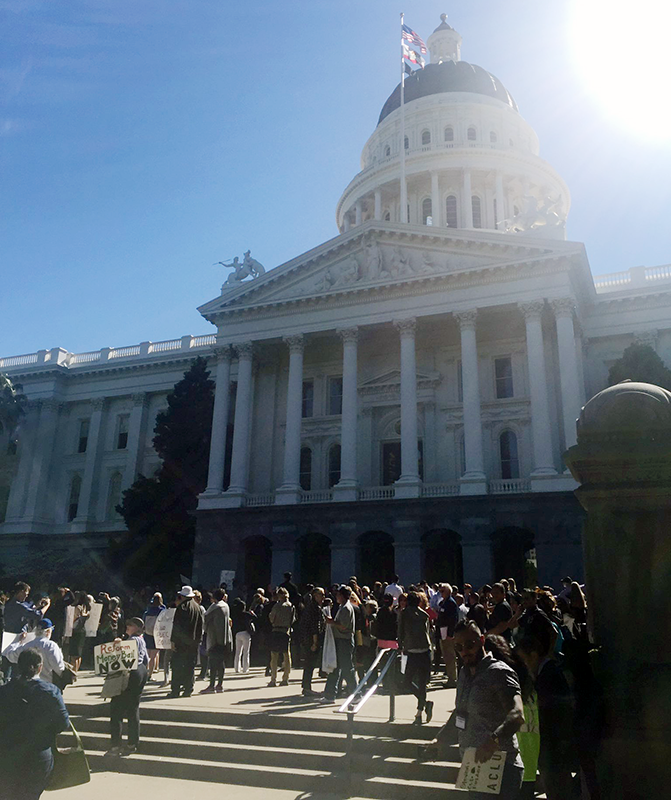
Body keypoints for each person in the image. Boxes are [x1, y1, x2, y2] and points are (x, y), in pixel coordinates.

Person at [453, 620, 525, 799]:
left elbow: (517, 714)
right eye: (459, 647)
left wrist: (495, 739)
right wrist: (439, 740)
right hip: (476, 766)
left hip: (503, 767)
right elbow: (461, 714)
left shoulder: (499, 672)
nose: (464, 651)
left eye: (470, 644)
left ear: (482, 640)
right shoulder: (463, 673)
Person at [0, 649, 70, 800]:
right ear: (40, 667)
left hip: (7, 754)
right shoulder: (50, 692)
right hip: (38, 755)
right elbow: (63, 724)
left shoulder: (4, 691)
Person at [516, 636, 577, 800]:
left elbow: (557, 711)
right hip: (550, 745)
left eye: (524, 660)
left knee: (559, 789)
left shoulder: (549, 675)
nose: (523, 666)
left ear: (534, 655)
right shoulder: (543, 674)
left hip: (554, 745)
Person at [106, 617, 149, 757]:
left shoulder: (132, 640)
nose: (126, 628)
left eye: (129, 625)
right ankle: (132, 743)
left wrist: (118, 645)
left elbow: (123, 657)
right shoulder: (141, 640)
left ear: (136, 627)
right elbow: (146, 659)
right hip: (141, 671)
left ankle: (115, 744)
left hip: (130, 673)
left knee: (116, 708)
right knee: (133, 708)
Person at [398, 591, 434, 725]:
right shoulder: (425, 614)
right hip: (425, 650)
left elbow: (400, 630)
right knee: (422, 683)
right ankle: (419, 712)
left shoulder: (404, 613)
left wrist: (400, 645)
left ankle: (423, 706)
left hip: (412, 650)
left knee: (407, 681)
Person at [2, 618, 66, 685]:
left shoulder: (27, 645)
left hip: (29, 685)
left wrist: (18, 641)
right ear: (48, 632)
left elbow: (9, 655)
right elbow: (59, 667)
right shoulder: (51, 646)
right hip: (47, 684)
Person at [322, 585, 357, 703]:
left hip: (344, 641)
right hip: (340, 640)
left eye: (338, 594)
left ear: (342, 596)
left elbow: (343, 626)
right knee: (335, 668)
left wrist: (331, 622)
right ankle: (330, 694)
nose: (336, 596)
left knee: (347, 669)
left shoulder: (346, 608)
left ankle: (356, 694)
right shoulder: (342, 607)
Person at [169, 585, 203, 698]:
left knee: (177, 665)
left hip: (182, 642)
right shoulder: (197, 607)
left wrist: (173, 641)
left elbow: (177, 626)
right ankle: (188, 689)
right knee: (190, 666)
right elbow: (200, 626)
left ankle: (175, 690)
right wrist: (198, 640)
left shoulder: (182, 607)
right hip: (193, 642)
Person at [200, 588, 231, 694]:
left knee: (212, 663)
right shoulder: (226, 606)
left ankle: (211, 685)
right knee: (221, 663)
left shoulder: (214, 607)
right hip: (225, 638)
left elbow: (205, 619)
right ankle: (220, 685)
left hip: (214, 638)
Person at [299, 586, 326, 697]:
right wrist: (315, 642)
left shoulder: (312, 607)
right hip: (311, 639)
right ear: (315, 596)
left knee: (309, 663)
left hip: (308, 638)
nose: (323, 597)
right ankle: (306, 687)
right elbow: (314, 626)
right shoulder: (314, 609)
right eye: (321, 595)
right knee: (310, 663)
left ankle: (306, 686)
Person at [268, 587, 295, 687]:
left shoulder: (277, 606)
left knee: (274, 656)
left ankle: (273, 679)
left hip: (276, 630)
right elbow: (293, 619)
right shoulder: (291, 606)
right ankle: (285, 678)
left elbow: (271, 618)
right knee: (286, 655)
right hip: (286, 631)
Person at [437, 583, 459, 686]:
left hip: (447, 633)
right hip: (442, 632)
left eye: (442, 591)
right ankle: (451, 677)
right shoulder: (444, 602)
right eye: (440, 591)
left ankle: (452, 679)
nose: (440, 593)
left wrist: (450, 633)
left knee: (450, 656)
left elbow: (453, 619)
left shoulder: (451, 603)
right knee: (446, 655)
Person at [143, 592, 165, 680]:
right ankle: (150, 675)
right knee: (153, 656)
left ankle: (145, 672)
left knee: (147, 655)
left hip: (147, 634)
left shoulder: (148, 610)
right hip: (157, 634)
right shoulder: (162, 610)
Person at [231, 598, 255, 674]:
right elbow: (255, 618)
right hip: (245, 633)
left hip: (237, 633)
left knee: (238, 652)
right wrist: (252, 613)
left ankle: (237, 668)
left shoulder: (235, 614)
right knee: (246, 652)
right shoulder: (246, 614)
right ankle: (245, 668)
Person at [68, 592, 91, 672]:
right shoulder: (86, 608)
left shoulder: (77, 607)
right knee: (78, 654)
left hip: (75, 631)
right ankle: (76, 671)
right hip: (82, 631)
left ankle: (73, 672)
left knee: (73, 654)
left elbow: (73, 618)